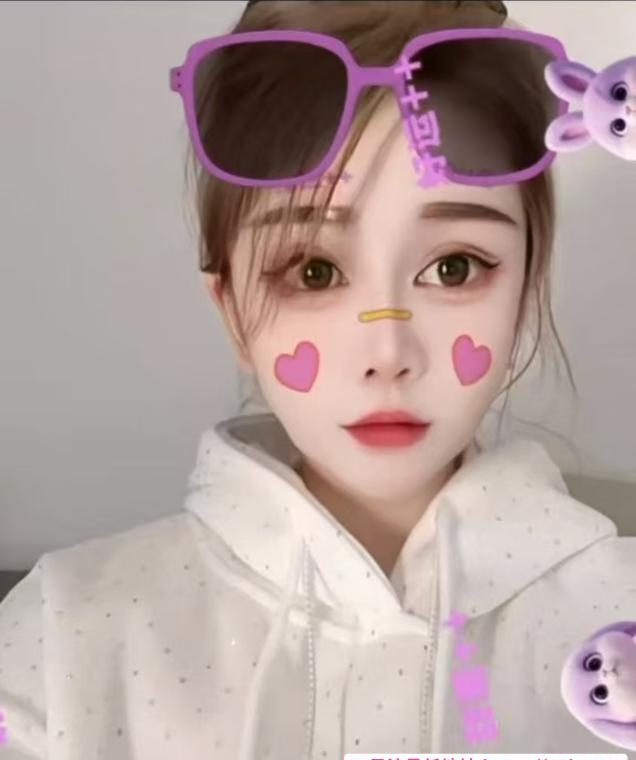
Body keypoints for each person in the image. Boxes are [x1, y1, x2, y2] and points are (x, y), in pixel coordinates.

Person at [1, 2, 634, 759]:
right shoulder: (59, 640)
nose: (388, 353)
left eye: (453, 267)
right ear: (232, 309)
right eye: (314, 271)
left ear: (527, 291)